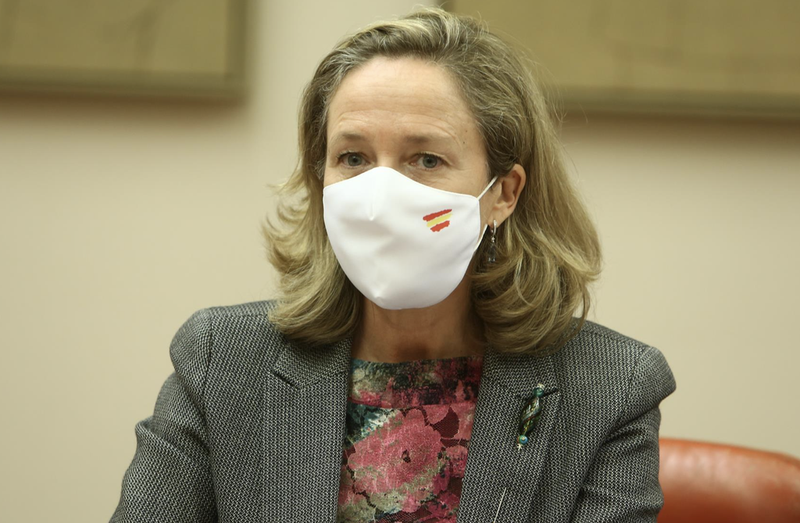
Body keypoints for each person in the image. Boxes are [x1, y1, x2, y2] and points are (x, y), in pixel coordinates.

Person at [111, 7, 675, 523]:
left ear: (504, 193)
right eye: (353, 157)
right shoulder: (221, 361)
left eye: (426, 159)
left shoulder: (611, 386)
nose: (379, 197)